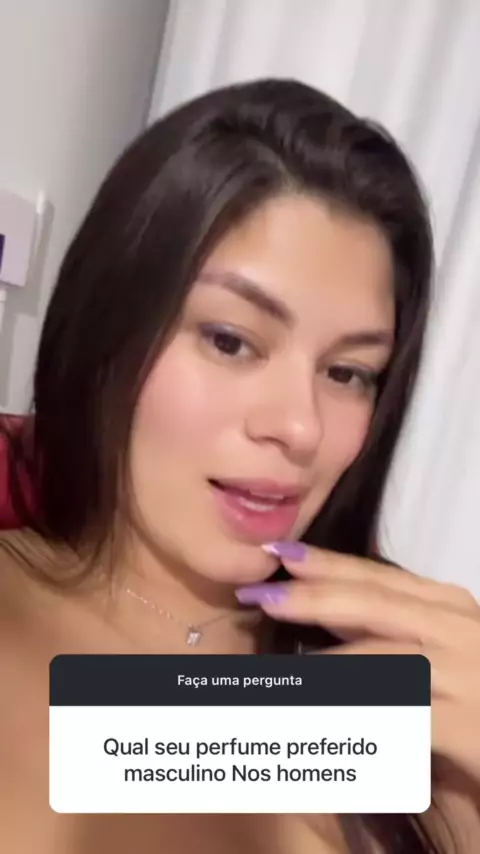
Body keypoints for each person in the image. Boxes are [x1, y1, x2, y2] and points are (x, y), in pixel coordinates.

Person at [0, 77, 478, 854]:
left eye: (349, 372)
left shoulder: (402, 669)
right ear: (106, 326)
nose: (300, 428)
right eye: (230, 340)